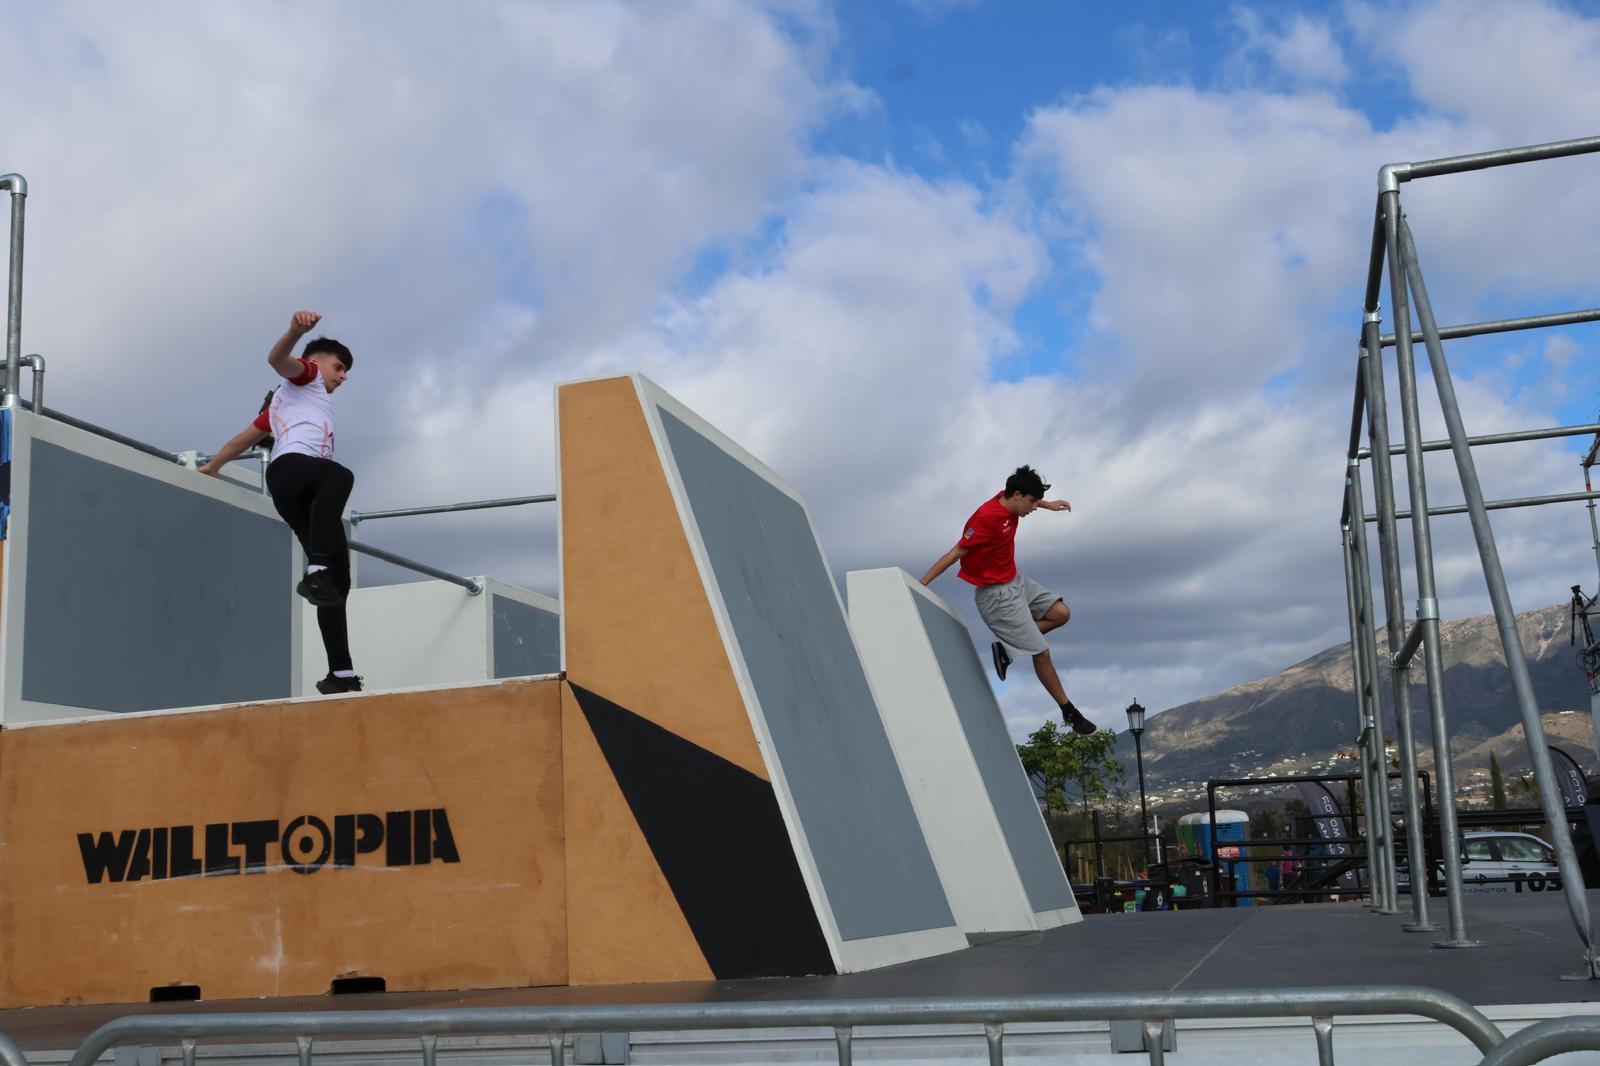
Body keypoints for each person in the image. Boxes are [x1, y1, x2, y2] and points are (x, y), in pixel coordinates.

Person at [200, 310, 362, 695]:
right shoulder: (307, 379)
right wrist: (294, 331)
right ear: (317, 362)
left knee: (339, 582)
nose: (342, 377)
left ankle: (339, 674)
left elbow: (241, 442)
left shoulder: (275, 409)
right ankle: (314, 569)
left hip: (290, 490)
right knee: (340, 476)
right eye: (339, 368)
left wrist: (213, 467)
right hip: (295, 470)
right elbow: (277, 360)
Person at [920, 465, 1093, 735]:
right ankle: (1069, 711)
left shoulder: (1010, 498)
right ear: (1017, 495)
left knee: (1060, 613)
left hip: (1016, 580)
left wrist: (1049, 504)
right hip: (996, 596)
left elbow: (1024, 496)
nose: (1033, 508)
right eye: (1032, 502)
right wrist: (922, 583)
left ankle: (1008, 648)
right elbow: (955, 553)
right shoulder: (986, 518)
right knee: (1041, 652)